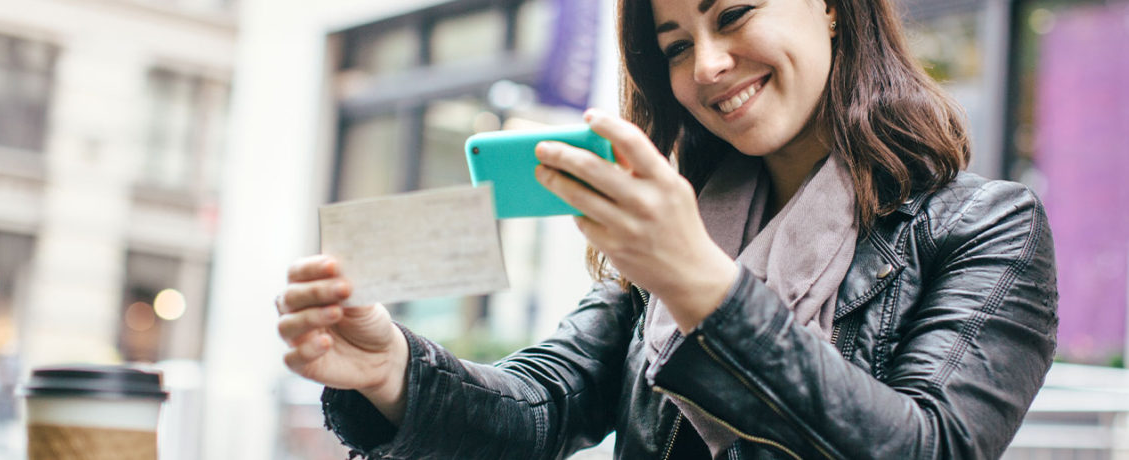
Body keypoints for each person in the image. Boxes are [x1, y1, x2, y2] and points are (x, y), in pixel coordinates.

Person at [274, 0, 1058, 458]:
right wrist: (392, 369)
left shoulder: (988, 227)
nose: (708, 66)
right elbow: (548, 401)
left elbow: (931, 447)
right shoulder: (683, 220)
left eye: (733, 15)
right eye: (677, 45)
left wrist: (702, 285)